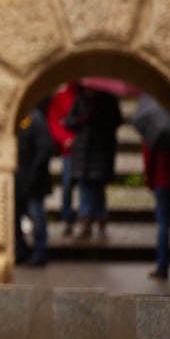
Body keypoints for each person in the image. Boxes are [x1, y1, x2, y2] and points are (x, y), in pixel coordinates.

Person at [131, 94, 170, 280]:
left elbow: (149, 158)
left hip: (162, 182)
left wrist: (150, 181)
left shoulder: (156, 128)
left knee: (164, 225)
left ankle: (162, 266)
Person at [64, 86, 122, 240]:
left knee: (97, 189)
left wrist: (98, 117)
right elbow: (69, 121)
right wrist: (82, 120)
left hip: (101, 151)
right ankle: (86, 222)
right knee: (85, 188)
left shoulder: (108, 100)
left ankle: (99, 221)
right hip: (83, 152)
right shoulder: (80, 98)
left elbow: (116, 121)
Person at [15, 100, 56, 267]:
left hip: (33, 180)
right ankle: (20, 250)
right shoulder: (20, 119)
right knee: (15, 217)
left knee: (37, 215)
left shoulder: (35, 119)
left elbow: (44, 148)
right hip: (19, 178)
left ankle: (39, 252)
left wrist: (33, 173)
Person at [46, 82, 79, 236]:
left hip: (85, 148)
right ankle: (68, 218)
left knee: (90, 187)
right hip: (69, 150)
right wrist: (65, 139)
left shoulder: (86, 96)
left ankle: (92, 219)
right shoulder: (61, 97)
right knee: (67, 185)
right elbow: (54, 122)